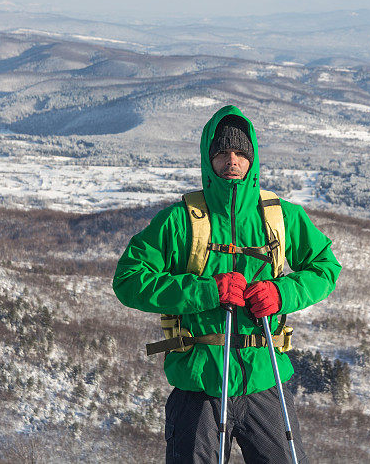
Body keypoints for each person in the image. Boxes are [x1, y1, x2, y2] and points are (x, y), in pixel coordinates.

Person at [113, 105, 341, 463]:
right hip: (200, 381)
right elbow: (128, 280)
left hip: (265, 377)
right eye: (221, 152)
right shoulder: (181, 221)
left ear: (252, 158)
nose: (231, 160)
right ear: (209, 159)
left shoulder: (280, 216)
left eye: (239, 152)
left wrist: (283, 293)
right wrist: (206, 291)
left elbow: (326, 267)